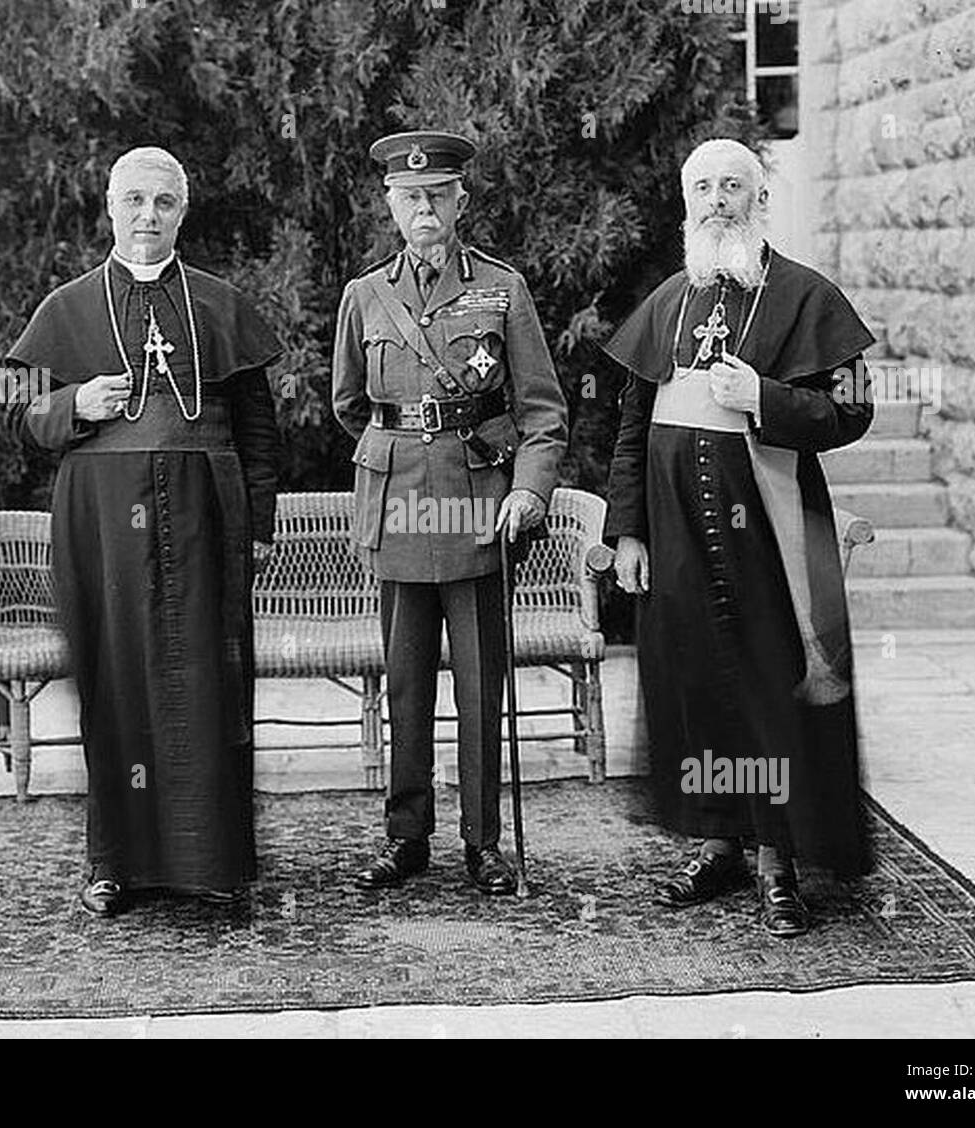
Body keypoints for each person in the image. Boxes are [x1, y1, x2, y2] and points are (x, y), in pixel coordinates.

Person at [604, 138, 876, 938]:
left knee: (770, 692)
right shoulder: (665, 303)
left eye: (734, 186)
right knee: (694, 688)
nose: (718, 198)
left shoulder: (804, 296)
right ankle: (719, 840)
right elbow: (628, 426)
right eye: (703, 187)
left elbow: (852, 411)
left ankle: (779, 861)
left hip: (771, 536)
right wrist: (627, 534)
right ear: (686, 203)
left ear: (758, 201)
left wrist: (765, 396)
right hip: (679, 532)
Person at [5, 146, 282, 916]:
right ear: (109, 206)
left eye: (163, 203)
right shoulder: (68, 306)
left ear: (183, 212)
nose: (147, 217)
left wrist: (257, 529)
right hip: (102, 523)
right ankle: (114, 864)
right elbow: (20, 422)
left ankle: (216, 862)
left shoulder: (223, 306)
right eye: (134, 201)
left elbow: (260, 432)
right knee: (116, 680)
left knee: (209, 680)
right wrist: (74, 406)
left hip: (206, 514)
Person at [332, 131, 568, 894]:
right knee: (405, 685)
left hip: (476, 511)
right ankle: (405, 840)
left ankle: (482, 842)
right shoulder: (364, 296)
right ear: (391, 206)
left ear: (461, 200)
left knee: (479, 687)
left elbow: (542, 412)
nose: (424, 208)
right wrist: (401, 448)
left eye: (438, 194)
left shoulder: (502, 289)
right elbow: (349, 405)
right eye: (410, 197)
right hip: (398, 509)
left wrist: (528, 491)